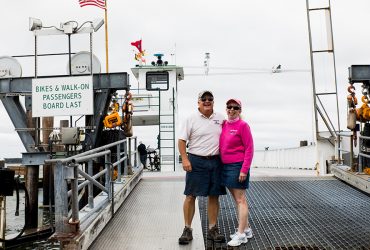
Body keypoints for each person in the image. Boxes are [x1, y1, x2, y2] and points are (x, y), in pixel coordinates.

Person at [178, 90, 226, 245]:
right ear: (198, 102)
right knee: (191, 195)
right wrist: (185, 159)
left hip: (216, 161)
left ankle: (213, 229)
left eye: (210, 99)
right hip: (196, 161)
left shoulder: (221, 118)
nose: (207, 101)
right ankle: (187, 229)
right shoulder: (190, 119)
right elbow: (181, 141)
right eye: (203, 99)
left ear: (213, 101)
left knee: (214, 195)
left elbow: (230, 135)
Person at [219, 98, 254, 247]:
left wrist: (244, 170)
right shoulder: (224, 124)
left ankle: (240, 235)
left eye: (235, 108)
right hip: (225, 166)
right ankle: (246, 229)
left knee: (241, 200)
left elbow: (249, 149)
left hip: (237, 166)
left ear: (240, 110)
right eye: (229, 107)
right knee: (237, 200)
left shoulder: (243, 126)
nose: (231, 110)